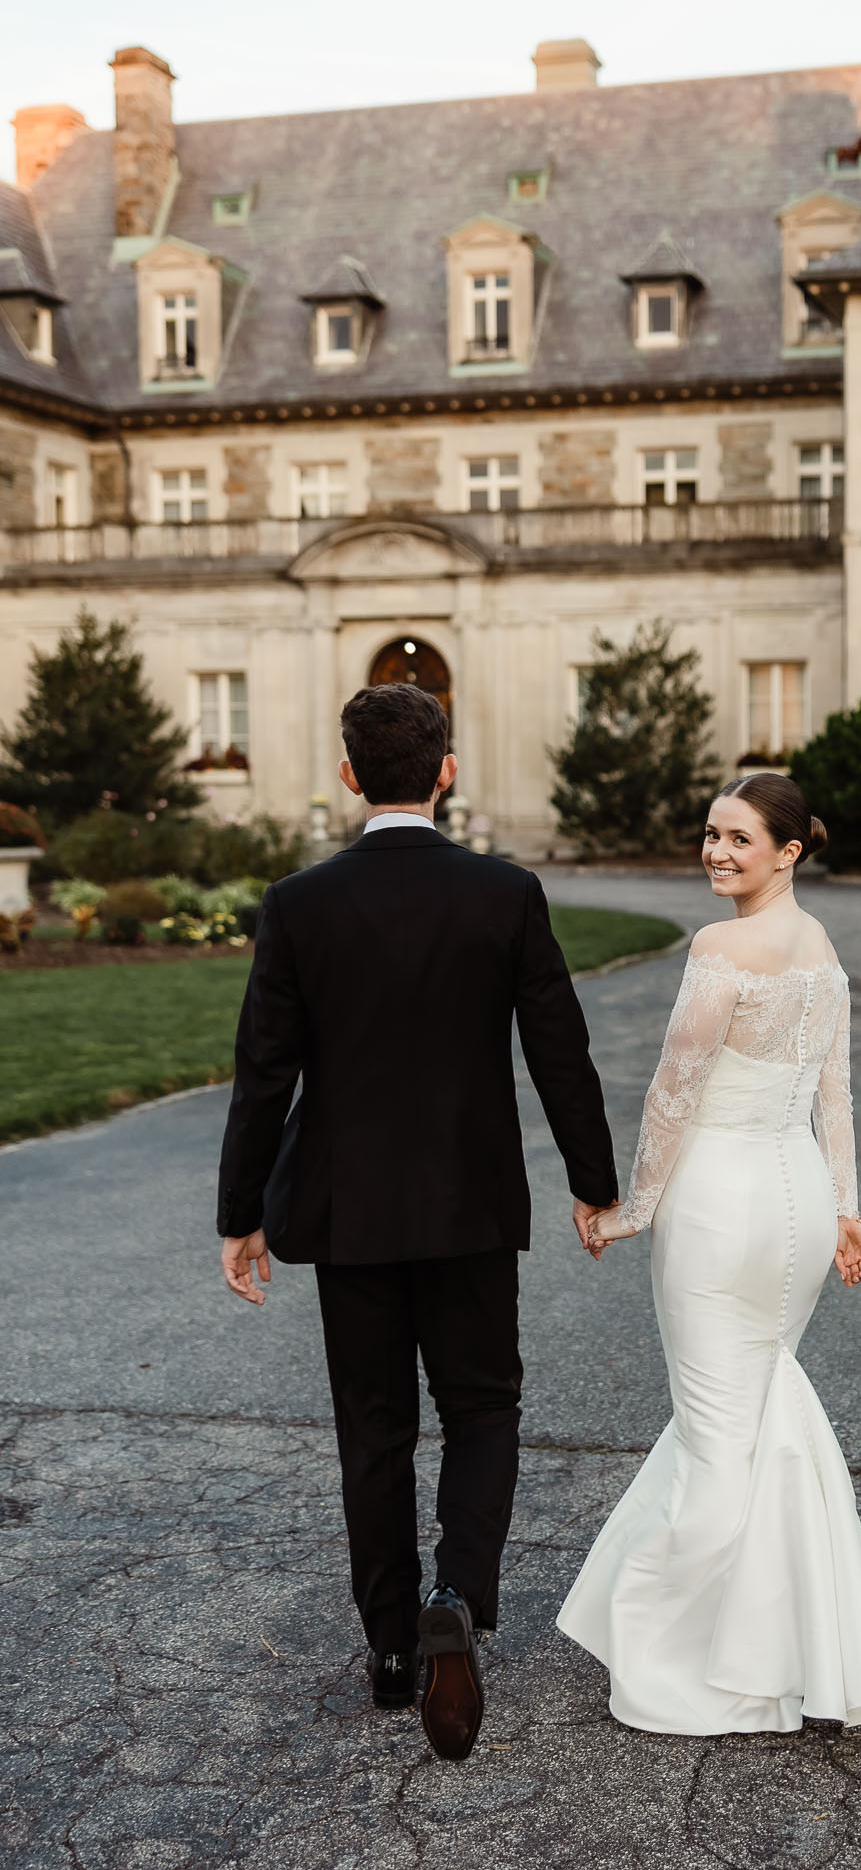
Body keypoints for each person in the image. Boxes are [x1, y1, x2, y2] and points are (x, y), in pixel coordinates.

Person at [217, 683, 617, 1762]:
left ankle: (393, 1649)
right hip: (472, 1205)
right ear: (445, 770)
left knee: (373, 1426)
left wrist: (239, 1213)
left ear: (350, 775)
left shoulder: (299, 903)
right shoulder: (503, 893)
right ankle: (460, 1591)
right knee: (483, 1406)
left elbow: (264, 1074)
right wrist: (595, 1183)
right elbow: (558, 1050)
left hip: (347, 1218)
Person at [559, 772, 861, 1734]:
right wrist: (844, 1209)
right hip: (796, 1203)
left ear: (789, 850)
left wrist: (634, 1208)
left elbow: (673, 1092)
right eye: (710, 834)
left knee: (714, 1428)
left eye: (740, 839)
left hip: (718, 1206)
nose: (717, 852)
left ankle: (681, 1643)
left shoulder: (721, 948)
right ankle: (788, 1636)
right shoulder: (821, 948)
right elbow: (836, 1096)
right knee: (753, 1406)